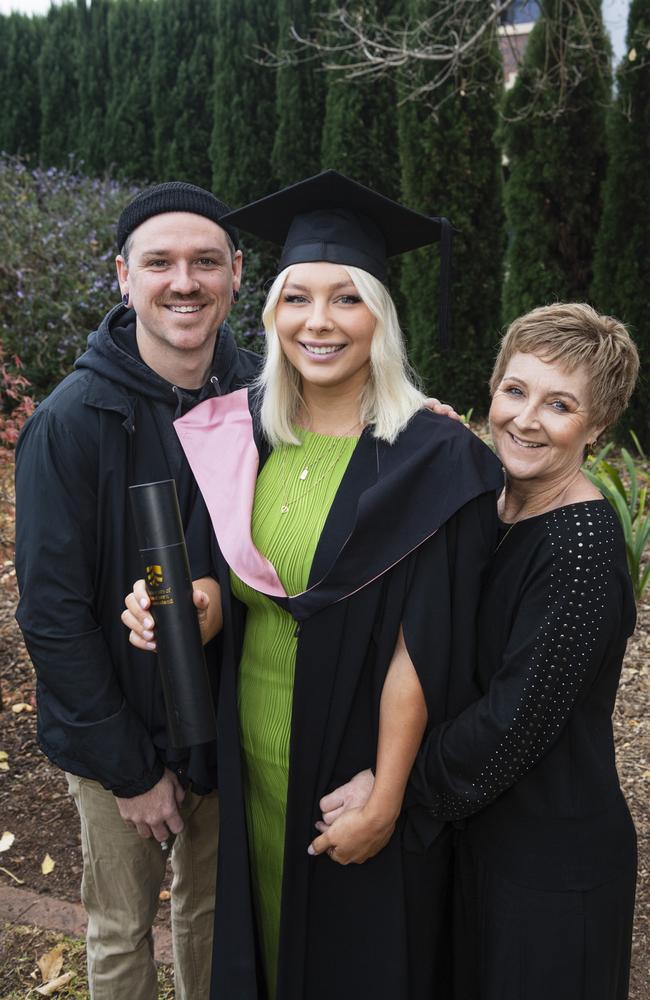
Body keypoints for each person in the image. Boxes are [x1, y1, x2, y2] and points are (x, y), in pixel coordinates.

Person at [125, 170, 505, 1000]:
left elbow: (428, 642)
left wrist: (388, 792)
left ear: (382, 318)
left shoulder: (435, 460)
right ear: (272, 316)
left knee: (357, 962)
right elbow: (229, 587)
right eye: (297, 299)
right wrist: (196, 608)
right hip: (255, 755)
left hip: (357, 771)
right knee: (264, 950)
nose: (319, 322)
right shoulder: (244, 437)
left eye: (347, 299)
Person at [322, 302, 640, 1000]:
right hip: (481, 840)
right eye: (515, 391)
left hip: (549, 869)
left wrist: (391, 787)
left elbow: (512, 724)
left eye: (560, 405)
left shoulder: (580, 548)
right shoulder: (496, 503)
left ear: (598, 426)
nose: (526, 419)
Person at [14, 181, 260, 1000]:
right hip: (113, 724)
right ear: (123, 276)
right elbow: (50, 614)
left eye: (203, 262)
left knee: (214, 919)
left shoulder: (267, 399)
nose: (182, 281)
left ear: (235, 274)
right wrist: (129, 769)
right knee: (121, 932)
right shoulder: (72, 420)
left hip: (229, 716)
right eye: (159, 262)